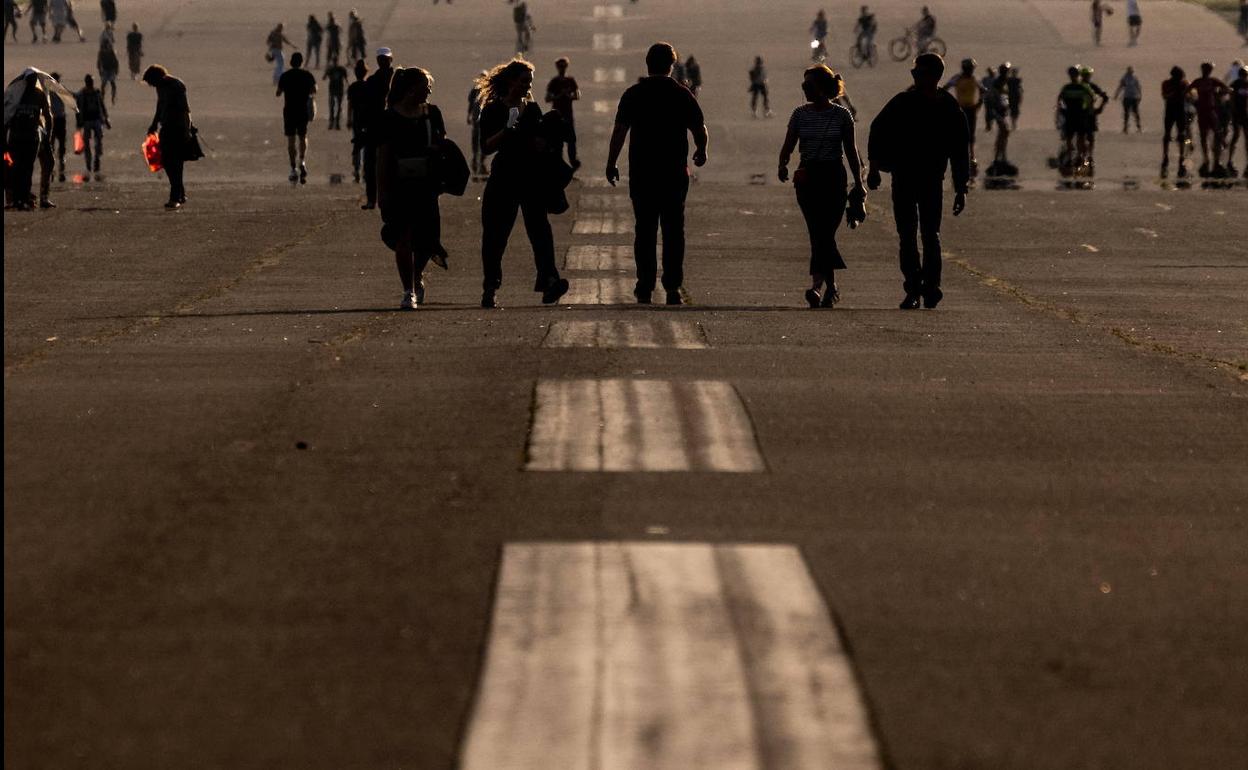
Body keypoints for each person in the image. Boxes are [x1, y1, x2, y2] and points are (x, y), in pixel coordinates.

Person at [606, 42, 709, 306]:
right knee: (674, 230)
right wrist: (701, 150)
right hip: (674, 172)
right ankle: (673, 287)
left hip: (643, 172)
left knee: (645, 230)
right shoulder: (682, 94)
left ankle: (645, 286)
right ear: (671, 65)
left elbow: (620, 131)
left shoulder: (633, 94)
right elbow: (699, 128)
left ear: (647, 63)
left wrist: (611, 162)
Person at [868, 52, 969, 310]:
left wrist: (961, 188)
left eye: (917, 72)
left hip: (931, 180)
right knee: (908, 235)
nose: (913, 75)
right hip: (904, 177)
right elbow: (877, 130)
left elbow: (960, 151)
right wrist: (874, 168)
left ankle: (931, 287)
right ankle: (914, 287)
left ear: (932, 76)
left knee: (930, 235)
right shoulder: (903, 102)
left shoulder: (949, 107)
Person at [475, 58, 570, 308]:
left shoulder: (533, 108)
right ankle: (490, 286)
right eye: (524, 81)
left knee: (540, 232)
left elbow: (540, 141)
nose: (528, 86)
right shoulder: (493, 110)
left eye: (530, 81)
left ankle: (549, 281)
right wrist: (508, 129)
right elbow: (486, 147)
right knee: (495, 235)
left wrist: (547, 138)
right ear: (510, 81)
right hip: (504, 177)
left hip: (531, 178)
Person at [777, 64, 864, 309]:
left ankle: (824, 287)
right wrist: (782, 164)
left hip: (833, 177)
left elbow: (851, 151)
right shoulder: (799, 114)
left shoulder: (842, 115)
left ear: (823, 88)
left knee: (823, 233)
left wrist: (859, 184)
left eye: (808, 85)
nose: (804, 89)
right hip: (808, 178)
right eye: (803, 85)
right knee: (819, 232)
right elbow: (788, 145)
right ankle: (822, 287)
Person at [377, 67, 448, 310]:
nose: (428, 91)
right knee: (403, 237)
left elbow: (442, 143)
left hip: (426, 185)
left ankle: (417, 275)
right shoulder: (389, 117)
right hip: (399, 185)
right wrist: (381, 192)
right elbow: (383, 157)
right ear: (410, 89)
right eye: (424, 87)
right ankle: (409, 290)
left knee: (427, 240)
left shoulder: (432, 113)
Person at [143, 63, 192, 209]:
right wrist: (154, 124)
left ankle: (175, 197)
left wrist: (187, 128)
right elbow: (160, 106)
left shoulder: (176, 85)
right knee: (168, 161)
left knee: (175, 162)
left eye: (151, 82)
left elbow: (185, 109)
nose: (151, 85)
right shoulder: (161, 86)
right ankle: (180, 193)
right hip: (166, 127)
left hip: (177, 128)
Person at [4, 72, 54, 210]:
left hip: (32, 137)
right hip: (17, 137)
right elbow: (6, 116)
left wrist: (48, 136)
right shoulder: (16, 95)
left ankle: (28, 198)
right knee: (17, 168)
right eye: (30, 80)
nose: (32, 82)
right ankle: (16, 199)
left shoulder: (39, 95)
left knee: (27, 168)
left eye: (34, 80)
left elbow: (48, 116)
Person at [359, 46, 395, 209]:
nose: (383, 62)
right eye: (381, 59)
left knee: (378, 165)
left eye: (385, 59)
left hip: (385, 126)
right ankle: (374, 199)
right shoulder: (377, 80)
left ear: (390, 60)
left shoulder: (394, 79)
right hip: (378, 126)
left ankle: (377, 199)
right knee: (373, 165)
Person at [276, 50, 316, 183]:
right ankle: (302, 161)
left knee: (291, 140)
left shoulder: (285, 76)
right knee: (303, 136)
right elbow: (314, 90)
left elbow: (278, 93)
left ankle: (293, 167)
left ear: (291, 62)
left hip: (289, 111)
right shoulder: (307, 75)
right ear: (301, 62)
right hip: (302, 110)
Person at [1187, 63, 1230, 175]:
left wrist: (1218, 96)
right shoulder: (1199, 81)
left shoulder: (1212, 81)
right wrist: (1194, 101)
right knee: (1204, 136)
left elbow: (1226, 89)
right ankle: (1207, 160)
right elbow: (1187, 91)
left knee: (1216, 135)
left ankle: (1215, 160)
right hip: (1203, 112)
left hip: (1211, 111)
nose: (1206, 72)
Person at [943, 58, 983, 176]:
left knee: (971, 133)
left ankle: (972, 156)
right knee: (959, 133)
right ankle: (960, 155)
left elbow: (982, 90)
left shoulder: (974, 79)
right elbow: (945, 88)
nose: (970, 71)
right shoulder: (957, 78)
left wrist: (979, 103)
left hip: (971, 108)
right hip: (960, 109)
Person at [1057, 66, 1095, 174]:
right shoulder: (1072, 87)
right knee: (1073, 138)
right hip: (1075, 115)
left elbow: (1091, 98)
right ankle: (1074, 157)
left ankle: (1078, 157)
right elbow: (1092, 98)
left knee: (1077, 137)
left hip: (1075, 115)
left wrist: (1086, 109)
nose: (1073, 76)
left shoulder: (1076, 87)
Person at [544, 57, 580, 169]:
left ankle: (572, 162)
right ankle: (558, 164)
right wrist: (560, 95)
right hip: (557, 115)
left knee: (571, 141)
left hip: (568, 115)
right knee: (557, 141)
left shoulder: (570, 80)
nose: (562, 68)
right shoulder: (554, 82)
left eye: (563, 66)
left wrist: (568, 96)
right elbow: (547, 98)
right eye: (560, 66)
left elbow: (577, 95)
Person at [75, 73, 109, 178]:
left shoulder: (96, 93)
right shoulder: (82, 94)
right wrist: (79, 122)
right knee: (87, 144)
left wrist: (106, 119)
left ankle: (96, 160)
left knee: (98, 142)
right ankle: (89, 164)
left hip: (96, 120)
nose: (91, 83)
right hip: (87, 121)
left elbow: (102, 106)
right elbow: (77, 109)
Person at [1079, 65, 1110, 172]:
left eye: (1087, 75)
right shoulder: (1084, 86)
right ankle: (1085, 156)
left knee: (1088, 137)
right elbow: (1103, 96)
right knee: (1084, 136)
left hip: (1088, 114)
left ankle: (1088, 156)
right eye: (1086, 75)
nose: (1087, 77)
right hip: (1084, 114)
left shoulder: (1088, 86)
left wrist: (1101, 106)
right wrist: (1101, 106)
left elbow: (1103, 96)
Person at [1160, 66, 1189, 177]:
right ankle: (1172, 155)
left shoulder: (1181, 83)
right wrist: (1174, 93)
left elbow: (1189, 95)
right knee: (1171, 134)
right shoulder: (1171, 83)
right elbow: (1164, 95)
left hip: (1175, 110)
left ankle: (1175, 155)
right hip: (1175, 110)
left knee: (1179, 134)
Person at [346, 58, 369, 183]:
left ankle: (356, 168)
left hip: (357, 118)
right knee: (367, 144)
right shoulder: (369, 86)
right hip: (367, 118)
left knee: (357, 144)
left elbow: (350, 105)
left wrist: (349, 118)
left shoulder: (353, 87)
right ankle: (365, 169)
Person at [47, 71, 68, 182]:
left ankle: (55, 161)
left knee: (54, 142)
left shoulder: (49, 90)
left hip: (54, 119)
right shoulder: (59, 89)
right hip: (58, 118)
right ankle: (60, 161)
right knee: (59, 141)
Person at [1227, 68, 1247, 176]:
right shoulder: (1235, 84)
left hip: (1245, 114)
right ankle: (1230, 160)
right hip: (1238, 114)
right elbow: (1231, 98)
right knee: (1236, 136)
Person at [467, 72, 486, 175]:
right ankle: (476, 159)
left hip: (484, 120)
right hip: (477, 119)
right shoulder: (475, 90)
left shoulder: (489, 90)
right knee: (476, 139)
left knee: (482, 139)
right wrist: (469, 115)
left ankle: (480, 161)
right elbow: (471, 104)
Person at [1114, 66, 1143, 132]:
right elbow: (1120, 86)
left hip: (1134, 97)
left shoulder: (1135, 77)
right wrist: (1116, 94)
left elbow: (1138, 86)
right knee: (1126, 113)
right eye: (1130, 71)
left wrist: (1140, 95)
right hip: (1127, 97)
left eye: (1131, 71)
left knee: (1136, 112)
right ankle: (1125, 128)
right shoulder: (1124, 78)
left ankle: (1139, 127)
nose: (1131, 72)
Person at [97, 23, 119, 104]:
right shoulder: (102, 52)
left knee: (111, 84)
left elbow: (116, 61)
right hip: (106, 69)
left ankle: (113, 96)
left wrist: (116, 69)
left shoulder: (110, 52)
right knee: (104, 84)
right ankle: (103, 97)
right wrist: (99, 69)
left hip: (111, 69)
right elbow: (99, 62)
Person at [324, 60, 348, 130]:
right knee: (338, 106)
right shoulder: (342, 69)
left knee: (332, 106)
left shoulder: (330, 69)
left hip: (333, 89)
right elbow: (346, 79)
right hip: (339, 89)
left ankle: (332, 122)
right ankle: (336, 123)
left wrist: (327, 72)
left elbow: (324, 78)